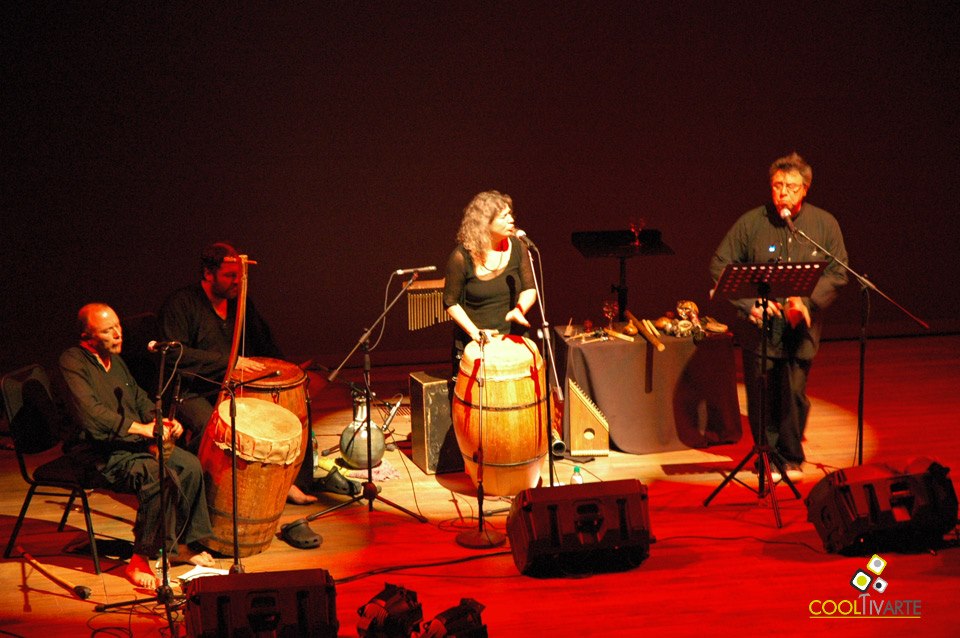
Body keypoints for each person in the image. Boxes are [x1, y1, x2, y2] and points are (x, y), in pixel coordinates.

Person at [710, 152, 849, 480]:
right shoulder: (751, 223)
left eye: (791, 186)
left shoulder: (824, 224)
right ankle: (768, 459)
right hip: (760, 328)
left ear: (805, 189)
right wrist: (750, 304)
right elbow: (720, 264)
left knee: (794, 393)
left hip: (800, 330)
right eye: (776, 186)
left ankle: (791, 456)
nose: (782, 192)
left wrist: (807, 303)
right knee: (762, 395)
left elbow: (838, 271)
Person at [59, 303, 215, 589]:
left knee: (189, 465)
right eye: (108, 330)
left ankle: (177, 546)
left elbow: (140, 398)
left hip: (127, 445)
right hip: (96, 453)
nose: (118, 334)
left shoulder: (115, 362)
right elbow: (91, 415)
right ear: (87, 337)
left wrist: (161, 419)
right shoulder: (73, 361)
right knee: (157, 475)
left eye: (118, 326)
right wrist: (142, 429)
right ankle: (139, 559)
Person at [157, 241, 319, 504]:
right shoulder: (182, 304)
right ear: (208, 274)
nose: (237, 282)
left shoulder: (241, 304)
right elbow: (176, 354)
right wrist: (229, 363)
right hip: (192, 389)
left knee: (290, 412)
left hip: (235, 386)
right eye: (229, 276)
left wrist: (291, 375)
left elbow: (265, 342)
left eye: (239, 276)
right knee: (214, 426)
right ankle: (211, 497)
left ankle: (289, 483)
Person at [442, 190, 538, 375]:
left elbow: (529, 288)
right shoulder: (461, 257)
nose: (511, 220)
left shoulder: (519, 247)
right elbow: (450, 302)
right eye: (504, 216)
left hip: (512, 342)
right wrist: (475, 332)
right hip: (478, 345)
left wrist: (519, 310)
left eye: (510, 214)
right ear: (485, 223)